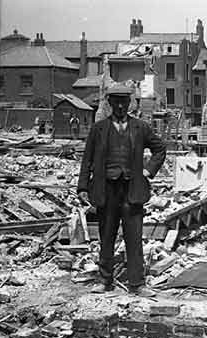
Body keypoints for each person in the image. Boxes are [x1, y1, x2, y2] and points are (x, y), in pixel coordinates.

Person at [77, 84, 166, 296]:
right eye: (115, 101)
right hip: (105, 189)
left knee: (133, 238)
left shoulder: (140, 128)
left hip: (132, 190)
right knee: (106, 236)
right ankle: (105, 281)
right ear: (109, 103)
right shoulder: (99, 129)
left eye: (123, 102)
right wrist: (82, 187)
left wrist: (148, 171)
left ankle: (137, 284)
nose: (119, 106)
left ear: (130, 103)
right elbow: (87, 158)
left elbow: (160, 148)